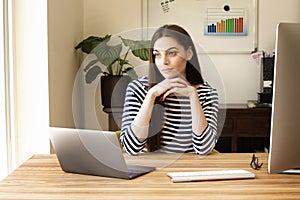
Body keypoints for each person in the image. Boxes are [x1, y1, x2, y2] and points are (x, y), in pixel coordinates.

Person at [120, 24, 219, 155]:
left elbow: (204, 149)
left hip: (187, 171)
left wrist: (193, 96)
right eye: (157, 54)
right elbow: (130, 148)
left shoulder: (207, 94)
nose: (163, 61)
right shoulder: (138, 88)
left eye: (172, 53)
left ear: (188, 53)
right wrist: (151, 95)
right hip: (148, 171)